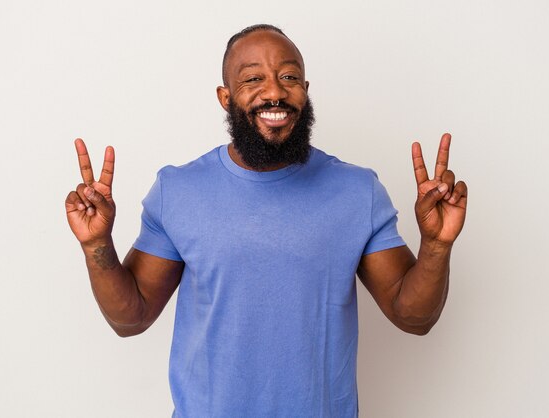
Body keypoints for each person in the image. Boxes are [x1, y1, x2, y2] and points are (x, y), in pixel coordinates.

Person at [65, 24, 467, 418]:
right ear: (225, 97)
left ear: (306, 92)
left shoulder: (357, 191)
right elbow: (130, 318)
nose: (274, 91)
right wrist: (97, 245)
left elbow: (414, 317)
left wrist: (436, 245)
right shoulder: (178, 191)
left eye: (289, 76)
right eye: (253, 78)